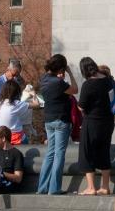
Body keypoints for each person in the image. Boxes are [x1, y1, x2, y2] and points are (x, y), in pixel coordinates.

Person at [36, 54, 78, 195]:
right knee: (59, 154)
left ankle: (42, 188)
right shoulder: (59, 83)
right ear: (60, 68)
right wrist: (70, 73)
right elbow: (75, 90)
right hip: (61, 119)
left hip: (48, 119)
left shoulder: (43, 79)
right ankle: (54, 188)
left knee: (50, 154)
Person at [77, 57, 114, 196]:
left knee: (87, 153)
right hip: (108, 122)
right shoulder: (108, 80)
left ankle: (91, 187)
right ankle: (105, 187)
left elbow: (81, 106)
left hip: (92, 122)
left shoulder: (88, 84)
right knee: (104, 152)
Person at [0, 80, 39, 144]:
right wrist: (33, 93)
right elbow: (37, 104)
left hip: (0, 137)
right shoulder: (16, 104)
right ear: (16, 92)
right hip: (15, 139)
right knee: (27, 139)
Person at [0, 60, 23, 132]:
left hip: (10, 118)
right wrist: (2, 110)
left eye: (17, 75)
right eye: (13, 75)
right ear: (8, 69)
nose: (15, 78)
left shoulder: (16, 83)